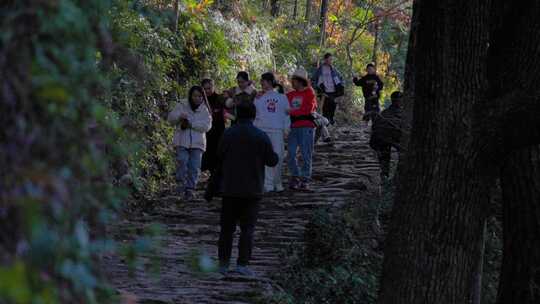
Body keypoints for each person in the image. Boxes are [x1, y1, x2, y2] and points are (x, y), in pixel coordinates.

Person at [206, 102, 279, 276]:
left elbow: (219, 156)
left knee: (226, 229)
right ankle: (242, 264)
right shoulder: (260, 136)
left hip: (230, 188)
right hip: (253, 190)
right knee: (248, 229)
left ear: (237, 114)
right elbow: (272, 160)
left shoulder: (229, 134)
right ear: (253, 116)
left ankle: (223, 264)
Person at [167, 86, 212, 200]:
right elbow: (170, 119)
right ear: (190, 96)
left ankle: (190, 189)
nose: (197, 98)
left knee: (194, 167)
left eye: (200, 96)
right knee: (182, 162)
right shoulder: (182, 105)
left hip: (197, 143)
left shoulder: (204, 110)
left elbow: (207, 126)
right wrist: (179, 116)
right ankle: (180, 187)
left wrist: (191, 124)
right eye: (195, 96)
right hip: (182, 140)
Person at [253, 72, 290, 193]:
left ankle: (277, 182)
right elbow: (255, 115)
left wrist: (286, 129)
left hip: (277, 130)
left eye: (262, 81)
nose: (261, 83)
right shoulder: (258, 97)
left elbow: (286, 115)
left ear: (269, 82)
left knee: (278, 156)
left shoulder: (282, 97)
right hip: (262, 130)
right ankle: (267, 184)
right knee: (264, 157)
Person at [286, 67, 318, 191]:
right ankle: (295, 176)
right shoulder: (290, 95)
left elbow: (307, 109)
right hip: (293, 127)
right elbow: (280, 102)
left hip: (306, 127)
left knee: (306, 154)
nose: (291, 82)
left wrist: (291, 112)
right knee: (291, 153)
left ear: (299, 81)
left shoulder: (309, 92)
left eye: (293, 80)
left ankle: (305, 179)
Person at [369, 91, 403, 179]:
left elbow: (374, 127)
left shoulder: (384, 113)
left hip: (389, 139)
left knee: (387, 156)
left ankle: (386, 174)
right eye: (399, 100)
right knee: (387, 156)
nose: (400, 102)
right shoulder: (387, 114)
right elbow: (375, 129)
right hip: (385, 139)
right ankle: (387, 175)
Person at [201, 78, 226, 175]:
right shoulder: (200, 99)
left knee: (218, 154)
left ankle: (217, 176)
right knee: (208, 154)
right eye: (205, 89)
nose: (207, 91)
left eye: (209, 88)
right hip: (206, 131)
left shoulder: (220, 98)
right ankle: (210, 175)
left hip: (218, 131)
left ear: (213, 87)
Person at [312, 53, 345, 125]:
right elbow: (314, 79)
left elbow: (340, 77)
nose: (331, 61)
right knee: (325, 106)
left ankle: (331, 118)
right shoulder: (320, 69)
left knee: (333, 104)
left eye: (331, 59)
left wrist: (341, 86)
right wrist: (317, 87)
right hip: (323, 90)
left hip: (333, 90)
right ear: (325, 59)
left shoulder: (333, 69)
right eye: (329, 59)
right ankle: (326, 122)